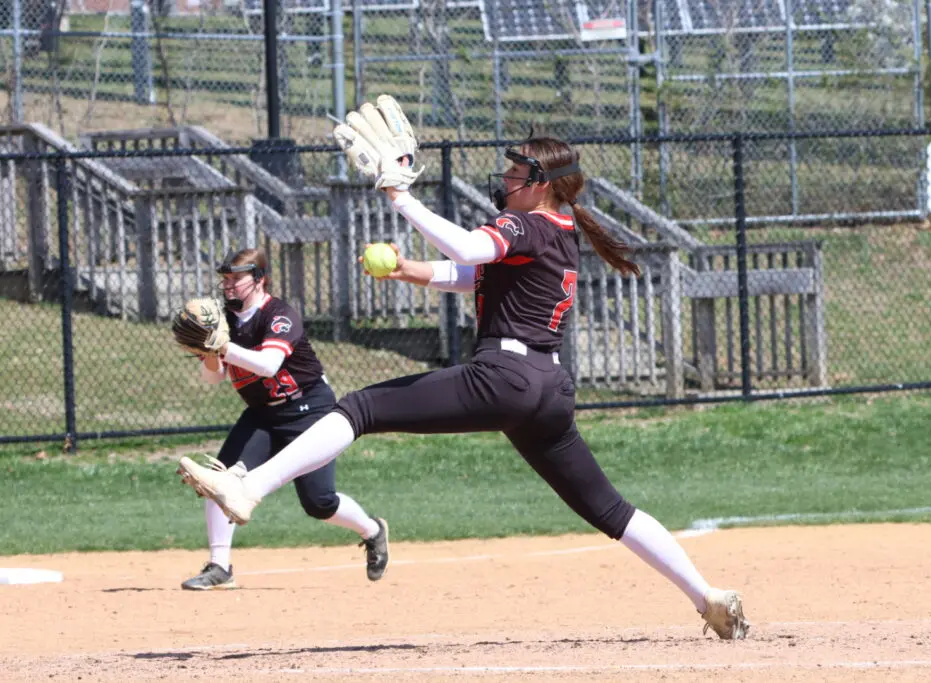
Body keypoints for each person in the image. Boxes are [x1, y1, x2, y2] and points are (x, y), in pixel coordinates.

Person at [178, 138, 749, 639]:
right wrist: (407, 270)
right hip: (547, 387)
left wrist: (401, 197)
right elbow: (471, 274)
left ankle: (249, 491)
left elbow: (471, 250)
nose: (505, 181)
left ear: (541, 184)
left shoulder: (525, 222)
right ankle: (707, 598)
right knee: (608, 508)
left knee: (361, 407)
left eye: (514, 174)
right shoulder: (561, 230)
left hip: (503, 376)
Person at [177, 248, 389, 590]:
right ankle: (219, 567)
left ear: (259, 279)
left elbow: (269, 365)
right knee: (218, 480)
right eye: (225, 279)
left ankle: (373, 531)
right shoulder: (226, 320)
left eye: (236, 278)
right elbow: (212, 378)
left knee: (319, 502)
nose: (228, 285)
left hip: (311, 412)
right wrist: (210, 351)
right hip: (263, 414)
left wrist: (224, 347)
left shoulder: (279, 314)